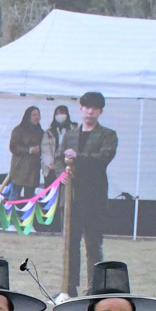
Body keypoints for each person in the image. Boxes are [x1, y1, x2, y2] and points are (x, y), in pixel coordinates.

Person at [62, 92, 119, 295]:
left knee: (93, 245)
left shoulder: (108, 135)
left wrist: (79, 157)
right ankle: (69, 287)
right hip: (72, 197)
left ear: (100, 111)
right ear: (81, 109)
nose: (90, 111)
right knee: (70, 244)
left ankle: (94, 288)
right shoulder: (70, 134)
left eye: (94, 108)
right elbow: (61, 160)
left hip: (94, 197)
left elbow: (102, 158)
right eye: (86, 107)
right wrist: (63, 175)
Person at [8, 107, 44, 194]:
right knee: (14, 196)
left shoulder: (41, 132)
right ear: (28, 116)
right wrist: (29, 150)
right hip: (19, 169)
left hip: (33, 171)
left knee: (30, 198)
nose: (37, 117)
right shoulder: (18, 130)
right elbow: (13, 147)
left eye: (38, 115)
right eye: (34, 115)